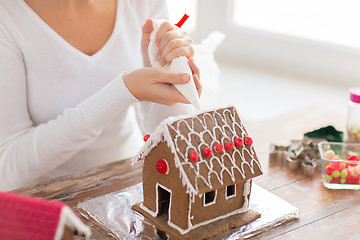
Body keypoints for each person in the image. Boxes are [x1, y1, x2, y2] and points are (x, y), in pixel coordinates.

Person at [0, 0, 202, 191]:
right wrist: (123, 91)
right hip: (50, 202)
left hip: (129, 185)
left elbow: (173, 145)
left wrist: (168, 73)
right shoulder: (8, 17)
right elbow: (8, 172)